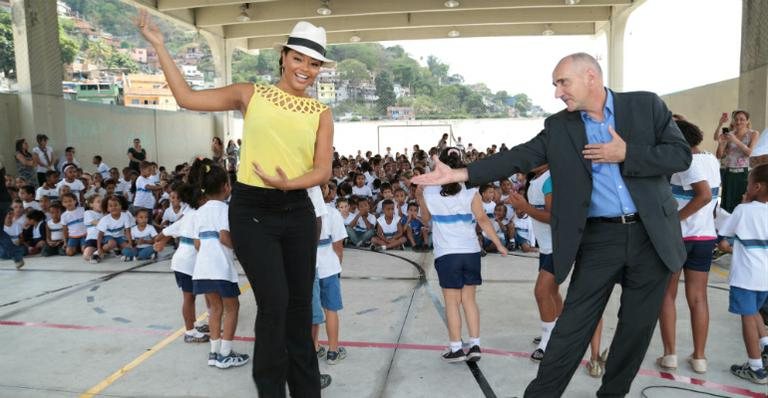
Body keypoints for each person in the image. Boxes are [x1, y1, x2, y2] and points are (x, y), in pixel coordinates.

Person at [412, 53, 691, 397]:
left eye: (563, 83)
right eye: (555, 85)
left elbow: (681, 155)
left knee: (635, 330)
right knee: (572, 326)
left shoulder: (646, 106)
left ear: (590, 76)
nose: (558, 93)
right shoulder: (561, 126)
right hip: (599, 236)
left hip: (652, 236)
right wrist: (462, 174)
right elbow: (519, 155)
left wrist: (627, 154)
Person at [138, 11, 334, 395]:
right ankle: (270, 390)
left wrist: (289, 183)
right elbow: (187, 98)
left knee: (298, 309)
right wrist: (160, 45)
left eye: (314, 64)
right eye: (299, 59)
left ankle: (307, 390)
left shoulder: (320, 112)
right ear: (283, 56)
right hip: (253, 211)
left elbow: (323, 170)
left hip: (297, 209)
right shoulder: (251, 93)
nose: (305, 69)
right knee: (275, 305)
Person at [416, 147, 507, 363]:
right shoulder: (470, 190)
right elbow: (483, 220)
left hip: (447, 254)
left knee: (451, 302)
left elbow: (426, 219)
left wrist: (419, 197)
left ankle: (456, 348)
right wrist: (499, 245)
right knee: (469, 300)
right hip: (470, 252)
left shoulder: (429, 191)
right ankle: (475, 345)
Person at [657, 120, 721, 374]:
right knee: (698, 298)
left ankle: (670, 354)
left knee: (667, 296)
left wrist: (675, 220)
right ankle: (699, 357)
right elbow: (712, 198)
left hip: (680, 238)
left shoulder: (688, 162)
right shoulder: (710, 160)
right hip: (705, 238)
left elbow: (703, 195)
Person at [189, 160, 249, 369]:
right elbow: (225, 237)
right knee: (232, 308)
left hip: (202, 268)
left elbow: (197, 243)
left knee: (215, 309)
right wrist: (241, 251)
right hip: (220, 268)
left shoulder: (199, 212)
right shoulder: (225, 210)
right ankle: (225, 353)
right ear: (226, 187)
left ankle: (214, 353)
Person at [718, 164, 768, 384]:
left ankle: (756, 367)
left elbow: (724, 240)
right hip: (765, 277)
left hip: (746, 276)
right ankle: (766, 345)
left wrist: (730, 246)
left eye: (748, 182)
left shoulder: (743, 210)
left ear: (756, 187)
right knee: (755, 311)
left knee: (747, 317)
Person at [153, 182, 209, 343]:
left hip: (186, 262)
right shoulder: (196, 215)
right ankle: (190, 332)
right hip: (186, 262)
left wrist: (161, 240)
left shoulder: (190, 213)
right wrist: (160, 240)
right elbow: (168, 232)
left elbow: (169, 230)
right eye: (204, 198)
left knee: (193, 296)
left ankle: (195, 324)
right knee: (189, 298)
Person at [715, 110, 760, 213]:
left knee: (742, 202)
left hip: (744, 173)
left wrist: (735, 140)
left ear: (747, 121)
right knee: (727, 203)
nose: (739, 122)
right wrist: (721, 143)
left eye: (742, 119)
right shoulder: (729, 134)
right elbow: (719, 155)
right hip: (728, 172)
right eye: (736, 119)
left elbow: (749, 153)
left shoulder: (753, 133)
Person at [96, 195, 133, 262]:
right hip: (108, 236)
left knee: (127, 247)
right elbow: (100, 235)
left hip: (119, 236)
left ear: (120, 206)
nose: (113, 207)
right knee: (112, 243)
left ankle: (117, 250)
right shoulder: (105, 219)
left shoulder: (125, 216)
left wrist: (130, 243)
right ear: (107, 209)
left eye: (116, 205)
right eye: (111, 206)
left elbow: (128, 231)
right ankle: (100, 252)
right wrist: (98, 248)